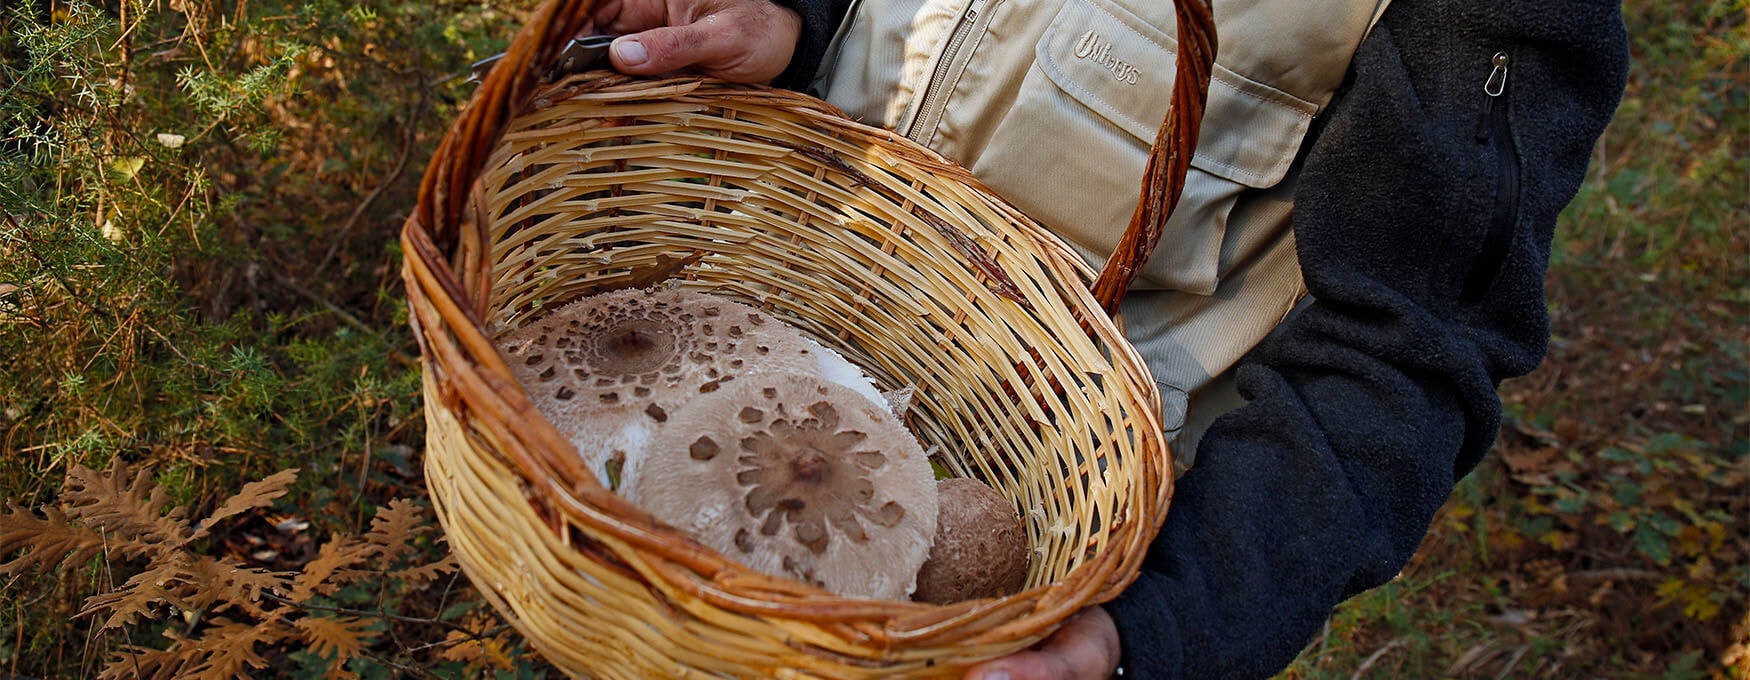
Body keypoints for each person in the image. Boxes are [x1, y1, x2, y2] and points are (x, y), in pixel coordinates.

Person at [579, 0, 1630, 676]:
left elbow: (1400, 360)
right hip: (719, 371)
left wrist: (1156, 631)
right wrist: (790, 16)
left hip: (1007, 571)